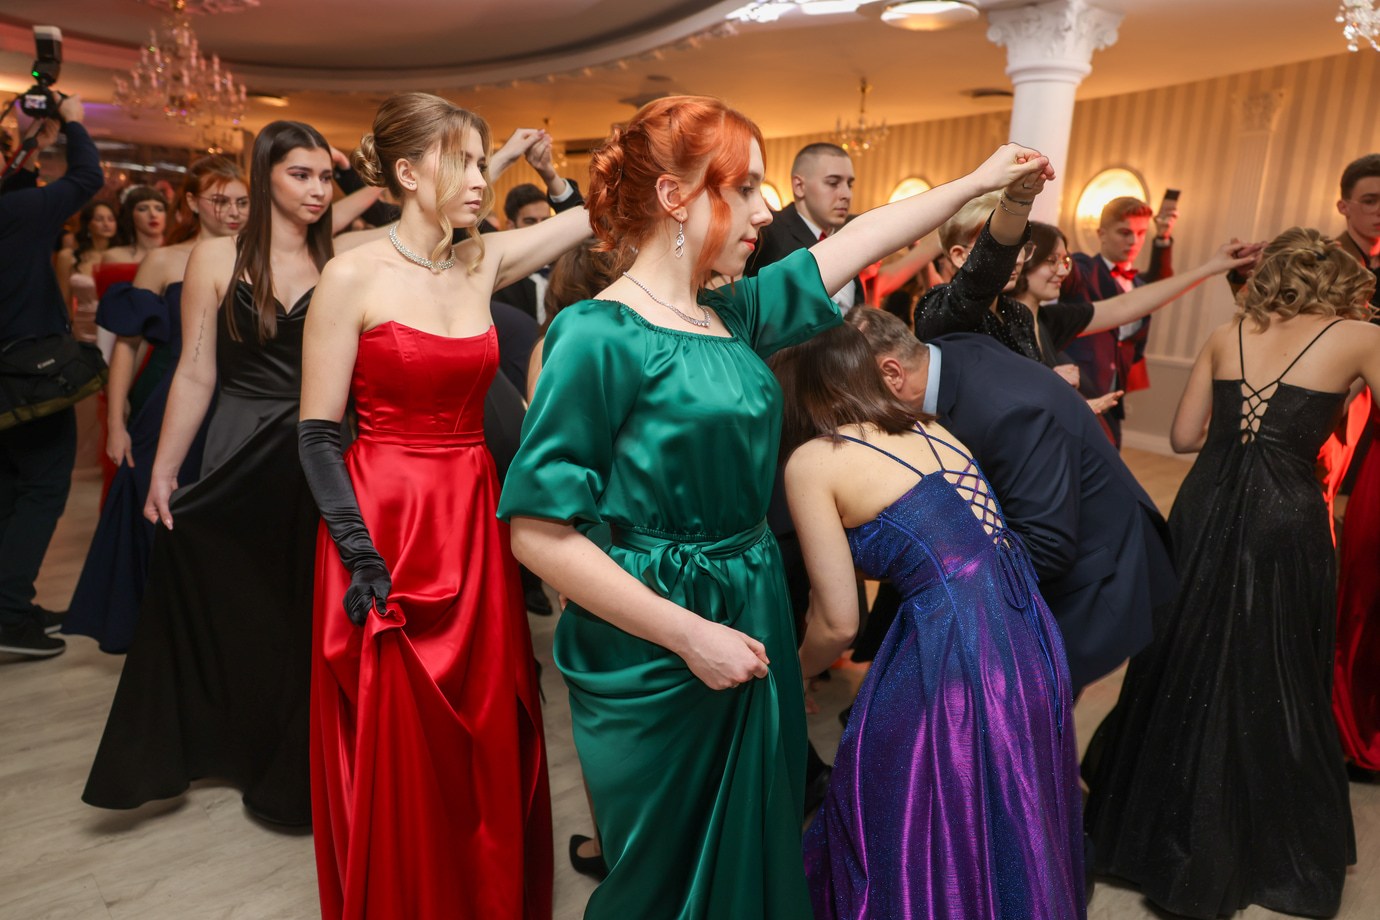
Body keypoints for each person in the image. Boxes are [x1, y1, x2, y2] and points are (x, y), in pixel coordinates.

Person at [498, 90, 1050, 918]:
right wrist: (690, 635)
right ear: (674, 195)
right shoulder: (595, 335)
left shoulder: (733, 314)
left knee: (760, 834)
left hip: (751, 594)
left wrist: (978, 181)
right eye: (745, 187)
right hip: (656, 626)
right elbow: (538, 534)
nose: (765, 210)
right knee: (667, 871)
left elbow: (860, 241)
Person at [301, 91, 584, 920]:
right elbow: (316, 434)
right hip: (382, 527)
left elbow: (593, 222)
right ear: (405, 171)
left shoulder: (480, 261)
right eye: (463, 161)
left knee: (487, 721)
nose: (480, 179)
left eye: (482, 161)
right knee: (403, 736)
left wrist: (574, 175)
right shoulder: (351, 274)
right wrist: (359, 553)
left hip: (473, 520)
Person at [1082, 227, 1378, 918]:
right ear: (1340, 282)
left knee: (1183, 655)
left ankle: (1151, 837)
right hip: (1286, 517)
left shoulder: (1228, 332)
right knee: (1273, 665)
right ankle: (1255, 844)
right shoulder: (1361, 337)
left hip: (1203, 506)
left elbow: (1184, 438)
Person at [774, 323, 1084, 919]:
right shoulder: (928, 425)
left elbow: (838, 624)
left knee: (898, 816)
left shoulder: (815, 461)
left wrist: (791, 673)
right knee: (1011, 823)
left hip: (956, 651)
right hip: (1028, 636)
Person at [83, 121, 334, 826]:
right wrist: (163, 470)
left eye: (325, 176)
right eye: (300, 175)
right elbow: (196, 370)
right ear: (264, 178)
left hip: (318, 445)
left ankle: (297, 759)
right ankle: (237, 746)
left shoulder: (340, 259)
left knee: (306, 606)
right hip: (239, 438)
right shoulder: (217, 257)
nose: (317, 190)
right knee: (243, 601)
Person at [848, 306, 1174, 698]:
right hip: (1044, 543)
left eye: (852, 398)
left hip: (1091, 576)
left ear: (892, 372)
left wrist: (918, 565)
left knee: (1018, 708)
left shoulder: (1008, 413)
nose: (852, 415)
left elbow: (1046, 548)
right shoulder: (947, 353)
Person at [62, 156, 247, 653]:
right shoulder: (164, 261)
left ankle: (208, 633)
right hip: (166, 399)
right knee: (155, 512)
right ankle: (156, 634)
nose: (233, 212)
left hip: (235, 403)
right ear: (192, 202)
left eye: (243, 202)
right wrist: (116, 420)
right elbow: (128, 343)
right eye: (221, 201)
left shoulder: (259, 258)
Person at [0, 96, 102, 659]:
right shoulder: (17, 214)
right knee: (41, 490)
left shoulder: (12, 209)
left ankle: (11, 600)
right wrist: (76, 123)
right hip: (28, 376)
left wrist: (30, 149)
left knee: (9, 490)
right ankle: (9, 615)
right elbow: (87, 178)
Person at [1015, 220, 1256, 409]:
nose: (1063, 271)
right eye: (1052, 260)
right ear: (1022, 261)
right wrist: (1053, 384)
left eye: (1065, 260)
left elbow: (1127, 306)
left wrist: (1210, 268)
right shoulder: (1001, 320)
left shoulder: (1050, 320)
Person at [1059, 196, 1175, 447]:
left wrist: (1163, 237)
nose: (1134, 241)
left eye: (1141, 233)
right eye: (1124, 232)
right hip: (1079, 390)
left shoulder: (1140, 285)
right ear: (1102, 234)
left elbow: (1162, 284)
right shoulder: (1085, 270)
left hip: (1114, 395)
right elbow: (1069, 275)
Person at [54, 201, 117, 343]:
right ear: (88, 224)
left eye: (111, 219)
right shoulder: (69, 257)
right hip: (82, 328)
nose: (106, 224)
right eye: (99, 219)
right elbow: (64, 300)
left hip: (115, 325)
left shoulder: (122, 256)